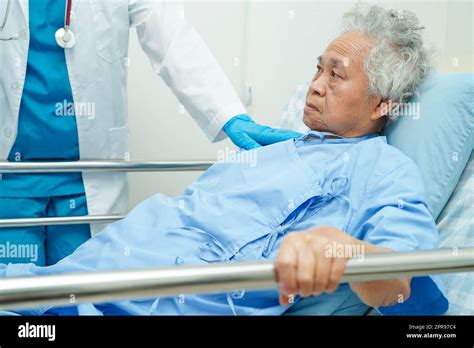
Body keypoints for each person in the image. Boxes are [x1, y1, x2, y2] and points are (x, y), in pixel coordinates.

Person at [0, 4, 448, 316]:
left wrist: (343, 251)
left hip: (129, 301)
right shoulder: (279, 149)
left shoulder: (383, 171)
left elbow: (399, 282)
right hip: (81, 276)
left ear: (381, 105)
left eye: (337, 74)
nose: (315, 84)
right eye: (318, 68)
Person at [0, 0, 300, 267]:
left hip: (88, 178)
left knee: (81, 298)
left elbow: (173, 39)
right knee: (14, 301)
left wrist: (230, 115)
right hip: (11, 179)